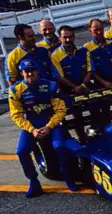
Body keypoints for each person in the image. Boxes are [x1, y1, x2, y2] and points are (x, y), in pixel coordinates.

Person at [9, 60, 76, 197]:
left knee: (59, 147)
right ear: (21, 73)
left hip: (51, 123)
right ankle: (34, 182)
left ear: (37, 71)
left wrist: (49, 127)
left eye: (32, 70)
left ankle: (69, 178)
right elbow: (16, 115)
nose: (29, 73)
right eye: (26, 71)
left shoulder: (50, 86)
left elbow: (60, 110)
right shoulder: (15, 90)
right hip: (32, 126)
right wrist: (32, 129)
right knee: (21, 151)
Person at [50, 25, 90, 96]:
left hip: (86, 88)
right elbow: (59, 77)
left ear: (74, 37)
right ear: (59, 38)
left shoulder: (84, 51)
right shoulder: (54, 55)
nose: (68, 40)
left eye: (70, 37)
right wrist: (75, 87)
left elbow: (90, 71)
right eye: (65, 37)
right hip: (67, 92)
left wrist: (83, 85)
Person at [84, 18, 112, 91]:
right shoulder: (87, 48)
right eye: (96, 30)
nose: (99, 32)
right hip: (100, 86)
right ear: (90, 31)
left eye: (101, 29)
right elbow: (92, 70)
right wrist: (105, 83)